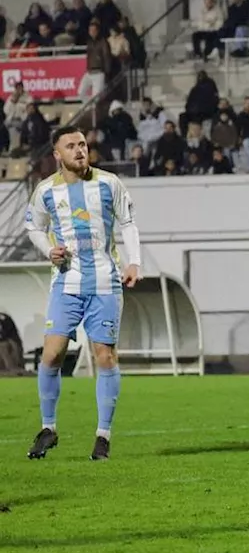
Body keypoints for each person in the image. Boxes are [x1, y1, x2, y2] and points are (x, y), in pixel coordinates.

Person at [24, 126, 142, 462]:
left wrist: (134, 262)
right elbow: (33, 226)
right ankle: (48, 428)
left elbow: (128, 223)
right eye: (71, 146)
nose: (79, 150)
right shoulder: (46, 191)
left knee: (104, 357)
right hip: (66, 283)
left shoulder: (109, 184)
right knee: (51, 355)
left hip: (105, 282)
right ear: (56, 155)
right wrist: (49, 250)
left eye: (83, 144)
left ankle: (103, 436)